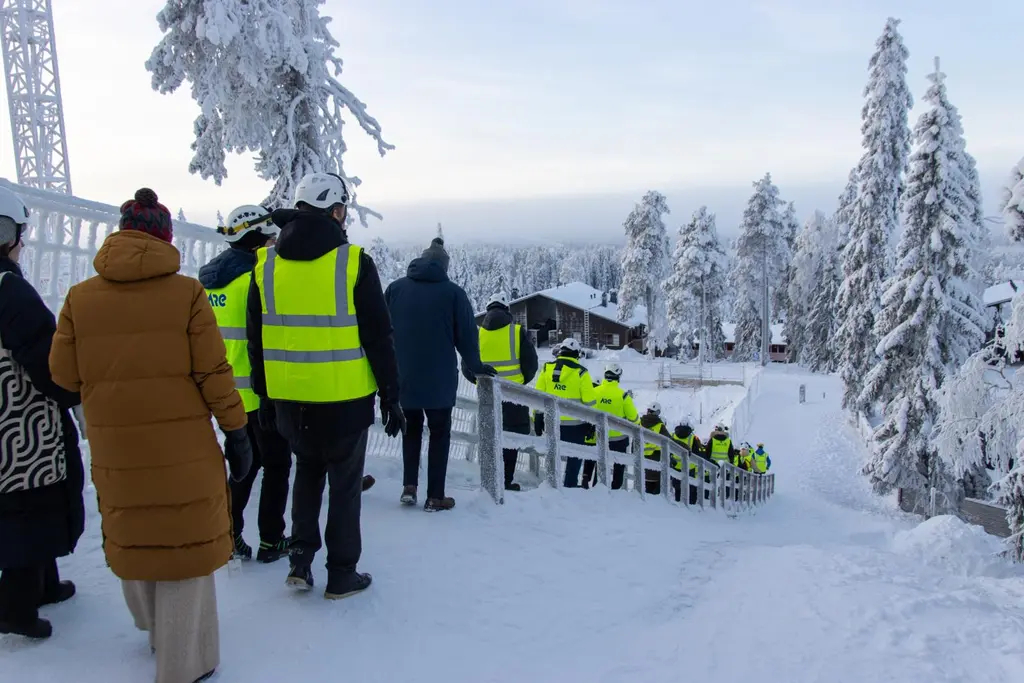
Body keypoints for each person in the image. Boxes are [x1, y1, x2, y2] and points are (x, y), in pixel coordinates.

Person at [49, 188, 252, 682]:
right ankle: (185, 663)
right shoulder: (186, 294)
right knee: (185, 545)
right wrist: (237, 431)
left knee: (137, 533)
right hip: (183, 450)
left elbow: (62, 375)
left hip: (116, 448)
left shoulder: (80, 298)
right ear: (165, 237)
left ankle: (152, 626)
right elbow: (213, 373)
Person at [247, 173, 403, 598]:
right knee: (345, 486)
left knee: (306, 474)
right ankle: (341, 573)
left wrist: (263, 395)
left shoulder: (266, 265)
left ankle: (300, 560)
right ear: (336, 210)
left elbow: (256, 340)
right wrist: (391, 394)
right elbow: (378, 336)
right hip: (344, 400)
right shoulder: (353, 262)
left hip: (290, 400)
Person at [0, 187, 84, 640]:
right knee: (26, 507)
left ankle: (45, 584)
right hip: (20, 421)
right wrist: (70, 391)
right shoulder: (9, 289)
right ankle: (16, 607)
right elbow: (46, 357)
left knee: (30, 503)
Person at [197, 205, 293, 564]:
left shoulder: (208, 282)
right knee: (277, 464)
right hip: (259, 391)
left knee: (243, 464)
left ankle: (230, 533)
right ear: (256, 238)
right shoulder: (257, 278)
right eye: (269, 236)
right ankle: (272, 540)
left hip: (223, 394)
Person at [384, 236, 495, 511]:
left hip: (403, 377)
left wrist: (385, 377)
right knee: (439, 433)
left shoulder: (395, 289)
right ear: (444, 267)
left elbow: (381, 334)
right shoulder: (453, 293)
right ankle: (435, 496)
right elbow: (467, 338)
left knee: (410, 429)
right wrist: (477, 367)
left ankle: (409, 488)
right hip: (439, 380)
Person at [461, 292, 537, 492]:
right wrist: (520, 382)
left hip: (487, 395)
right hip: (513, 395)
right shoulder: (517, 331)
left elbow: (467, 366)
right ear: (507, 310)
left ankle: (489, 478)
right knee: (510, 439)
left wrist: (480, 382)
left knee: (489, 435)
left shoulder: (477, 333)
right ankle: (505, 481)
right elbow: (531, 364)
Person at [533, 338, 597, 488]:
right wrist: (592, 423)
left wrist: (537, 417)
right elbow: (590, 403)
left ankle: (551, 485)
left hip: (551, 422)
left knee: (552, 454)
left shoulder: (546, 369)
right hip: (576, 426)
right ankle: (570, 487)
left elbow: (538, 397)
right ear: (576, 354)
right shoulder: (581, 373)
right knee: (574, 458)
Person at [582, 363, 639, 490]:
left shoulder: (594, 391)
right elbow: (634, 419)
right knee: (619, 464)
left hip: (598, 436)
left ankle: (596, 485)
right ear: (618, 377)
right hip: (618, 438)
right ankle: (615, 489)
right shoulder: (623, 396)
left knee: (599, 461)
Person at [670, 418, 705, 504]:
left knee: (678, 487)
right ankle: (690, 505)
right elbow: (697, 453)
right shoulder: (693, 438)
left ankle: (678, 502)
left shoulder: (672, 435)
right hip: (690, 467)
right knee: (690, 487)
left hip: (676, 466)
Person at [640, 403, 671, 495]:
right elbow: (670, 441)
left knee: (646, 488)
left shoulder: (640, 424)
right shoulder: (659, 426)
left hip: (642, 459)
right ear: (657, 412)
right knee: (657, 491)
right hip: (657, 459)